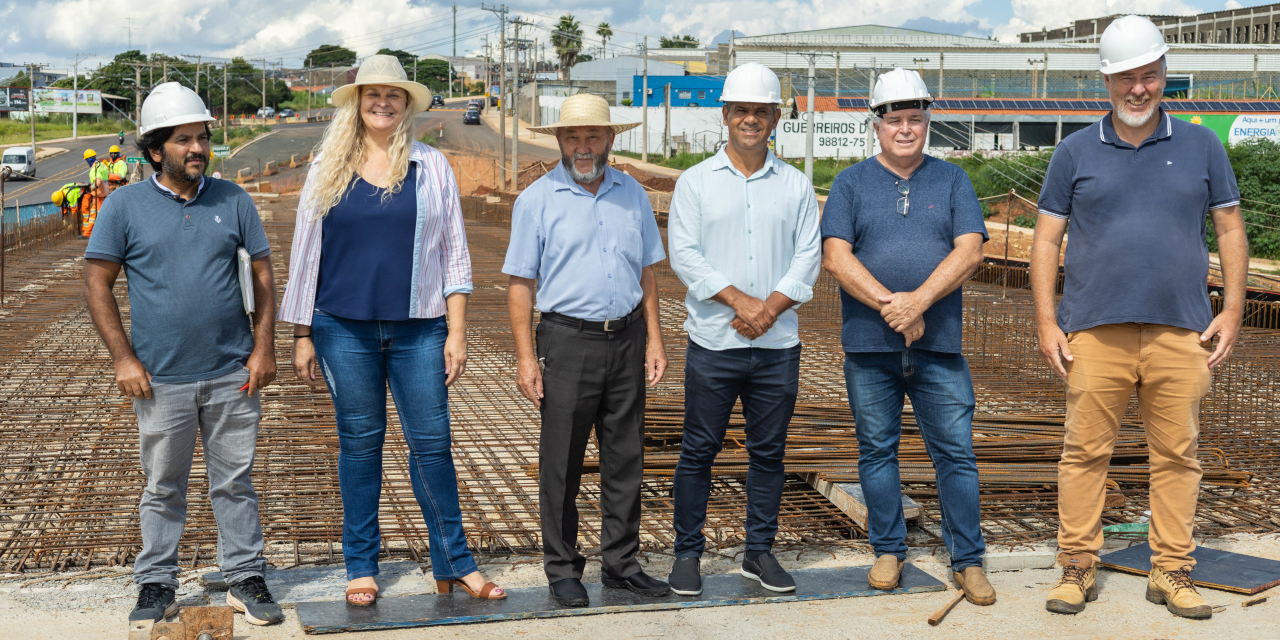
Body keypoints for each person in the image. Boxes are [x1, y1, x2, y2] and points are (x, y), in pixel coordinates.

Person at [1033, 16, 1247, 620]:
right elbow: (1046, 242)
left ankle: (1172, 571)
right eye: (1126, 78)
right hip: (1095, 330)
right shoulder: (1075, 151)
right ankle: (1077, 566)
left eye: (1148, 76)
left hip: (1181, 330)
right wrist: (1048, 323)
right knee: (1084, 453)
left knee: (1178, 454)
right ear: (1106, 80)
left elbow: (1229, 227)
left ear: (1163, 76)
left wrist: (1231, 309)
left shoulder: (1202, 145)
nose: (1138, 89)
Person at [279, 55, 506, 606]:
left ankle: (453, 562)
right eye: (372, 94)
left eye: (393, 96)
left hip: (420, 328)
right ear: (357, 102)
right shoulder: (327, 166)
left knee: (432, 445)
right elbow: (307, 253)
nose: (382, 103)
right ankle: (361, 564)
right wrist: (301, 333)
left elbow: (454, 250)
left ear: (407, 105)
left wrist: (458, 330)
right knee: (360, 447)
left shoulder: (431, 166)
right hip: (342, 328)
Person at [82, 82, 284, 626]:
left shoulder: (233, 200)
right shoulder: (125, 206)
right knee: (162, 485)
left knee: (235, 481)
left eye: (202, 137)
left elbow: (263, 276)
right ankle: (156, 583)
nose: (198, 148)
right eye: (184, 139)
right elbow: (97, 282)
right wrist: (124, 359)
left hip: (231, 373)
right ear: (155, 150)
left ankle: (244, 575)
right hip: (160, 378)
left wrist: (263, 348)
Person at [820, 67, 995, 605]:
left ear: (926, 124)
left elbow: (970, 250)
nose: (905, 129)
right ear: (876, 124)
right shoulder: (851, 183)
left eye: (914, 120)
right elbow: (835, 256)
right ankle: (888, 550)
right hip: (870, 348)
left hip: (938, 345)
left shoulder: (952, 180)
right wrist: (893, 307)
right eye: (894, 120)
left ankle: (968, 560)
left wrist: (918, 303)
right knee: (877, 451)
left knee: (956, 455)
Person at [503, 93, 670, 607]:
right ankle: (562, 569)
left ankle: (621, 565)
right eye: (573, 136)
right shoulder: (536, 200)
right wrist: (526, 358)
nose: (583, 146)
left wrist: (655, 340)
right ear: (558, 140)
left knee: (626, 459)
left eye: (593, 136)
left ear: (611, 140)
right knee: (562, 463)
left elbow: (646, 272)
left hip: (626, 339)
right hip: (566, 341)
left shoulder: (633, 195)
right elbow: (519, 285)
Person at [665, 62, 821, 596]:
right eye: (741, 111)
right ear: (725, 115)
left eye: (761, 111)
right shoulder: (695, 183)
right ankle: (688, 553)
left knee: (768, 452)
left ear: (776, 117)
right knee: (699, 450)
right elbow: (684, 254)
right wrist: (739, 301)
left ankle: (759, 553)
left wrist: (768, 310)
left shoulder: (797, 186)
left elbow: (808, 258)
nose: (750, 119)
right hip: (714, 341)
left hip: (776, 345)